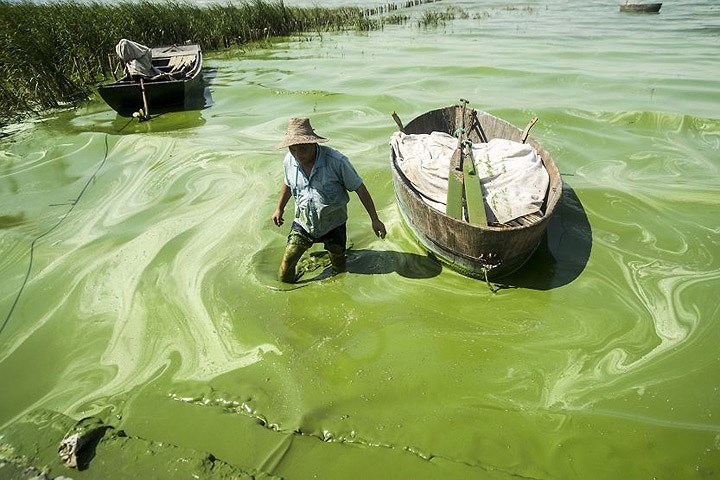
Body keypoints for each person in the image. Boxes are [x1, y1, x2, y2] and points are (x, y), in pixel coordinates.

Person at [272, 117, 387, 283]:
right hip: (304, 223)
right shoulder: (289, 160)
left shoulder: (336, 161)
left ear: (313, 144)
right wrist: (279, 208)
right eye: (293, 149)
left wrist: (375, 219)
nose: (297, 154)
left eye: (302, 149)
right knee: (285, 271)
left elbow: (359, 188)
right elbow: (288, 183)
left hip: (334, 225)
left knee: (339, 268)